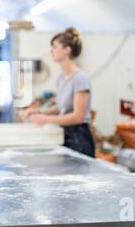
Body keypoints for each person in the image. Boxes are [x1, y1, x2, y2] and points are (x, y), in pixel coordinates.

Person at [19, 28, 95, 157]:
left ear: (67, 50)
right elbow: (60, 107)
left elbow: (78, 117)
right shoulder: (61, 78)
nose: (51, 50)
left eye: (54, 46)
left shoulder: (80, 78)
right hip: (65, 133)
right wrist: (37, 111)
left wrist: (46, 119)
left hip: (79, 138)